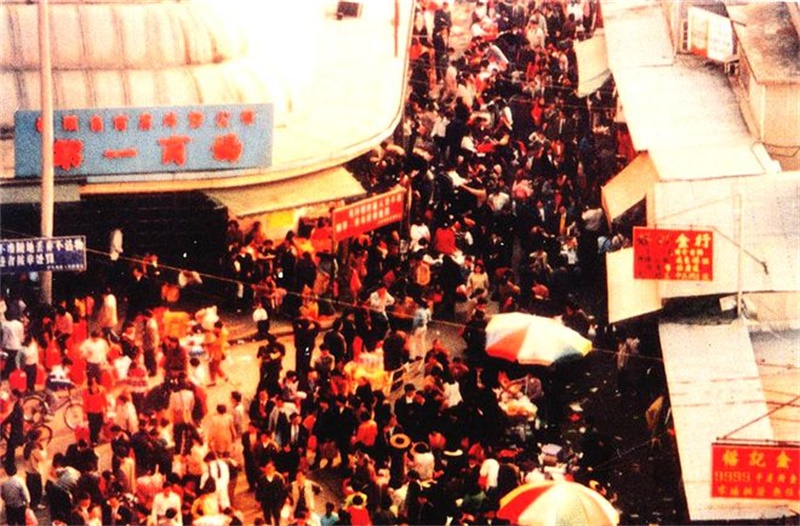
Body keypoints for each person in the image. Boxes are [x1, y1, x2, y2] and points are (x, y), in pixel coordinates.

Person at [256, 460, 286, 526]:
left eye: (270, 468)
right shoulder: (262, 479)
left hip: (276, 501)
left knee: (277, 516)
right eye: (267, 468)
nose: (268, 470)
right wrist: (258, 501)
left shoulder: (279, 478)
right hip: (266, 501)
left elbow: (283, 490)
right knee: (267, 517)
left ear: (274, 468)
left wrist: (282, 501)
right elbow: (258, 490)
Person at [83, 376, 108, 446]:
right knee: (92, 427)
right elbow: (85, 403)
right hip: (91, 412)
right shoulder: (86, 392)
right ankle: (93, 440)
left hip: (100, 411)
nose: (94, 384)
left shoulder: (102, 389)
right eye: (93, 383)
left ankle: (97, 438)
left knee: (99, 425)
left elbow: (105, 400)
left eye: (95, 382)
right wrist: (84, 413)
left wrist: (106, 409)